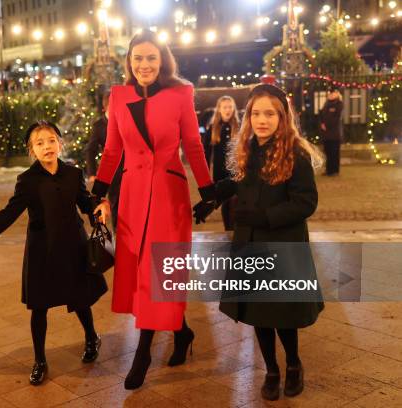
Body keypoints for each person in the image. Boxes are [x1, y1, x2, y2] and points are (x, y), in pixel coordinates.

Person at [92, 31, 215, 390]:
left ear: (162, 60)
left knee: (160, 271)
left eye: (151, 58)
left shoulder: (181, 93)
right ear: (128, 62)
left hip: (168, 194)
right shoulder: (118, 96)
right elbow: (113, 150)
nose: (144, 65)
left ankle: (143, 351)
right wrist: (97, 191)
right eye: (137, 58)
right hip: (131, 194)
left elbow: (193, 143)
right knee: (141, 270)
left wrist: (207, 190)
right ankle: (182, 330)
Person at [196, 84, 324, 401]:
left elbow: (306, 202)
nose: (261, 120)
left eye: (269, 113)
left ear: (282, 117)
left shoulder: (295, 154)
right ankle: (272, 369)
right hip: (251, 244)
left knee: (282, 314)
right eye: (255, 113)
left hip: (281, 243)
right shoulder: (250, 150)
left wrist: (266, 217)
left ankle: (293, 364)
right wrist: (214, 196)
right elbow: (241, 181)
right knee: (258, 313)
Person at [0, 121, 107, 386]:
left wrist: (99, 207)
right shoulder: (27, 181)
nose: (47, 147)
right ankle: (40, 360)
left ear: (59, 143)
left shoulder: (73, 174)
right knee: (39, 307)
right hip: (42, 249)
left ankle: (91, 338)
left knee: (80, 300)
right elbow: (11, 212)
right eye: (39, 143)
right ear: (32, 150)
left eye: (51, 140)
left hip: (73, 246)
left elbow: (86, 203)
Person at [85, 90, 123, 230]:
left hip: (131, 170)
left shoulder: (126, 120)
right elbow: (90, 150)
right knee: (116, 204)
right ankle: (120, 236)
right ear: (106, 107)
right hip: (113, 173)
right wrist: (92, 173)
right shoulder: (99, 125)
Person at [203, 96, 240, 230]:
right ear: (219, 109)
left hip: (236, 172)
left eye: (230, 107)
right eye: (225, 107)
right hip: (220, 172)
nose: (228, 110)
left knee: (235, 201)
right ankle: (228, 230)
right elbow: (205, 152)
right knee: (225, 202)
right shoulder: (213, 128)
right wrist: (205, 173)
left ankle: (236, 229)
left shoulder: (238, 126)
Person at [319, 87, 344, 176]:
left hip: (334, 133)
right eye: (330, 93)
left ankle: (334, 170)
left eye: (333, 93)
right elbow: (322, 114)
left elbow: (336, 118)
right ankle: (329, 169)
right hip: (326, 133)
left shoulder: (339, 104)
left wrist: (327, 125)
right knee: (327, 152)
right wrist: (322, 123)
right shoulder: (327, 103)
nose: (331, 94)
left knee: (334, 152)